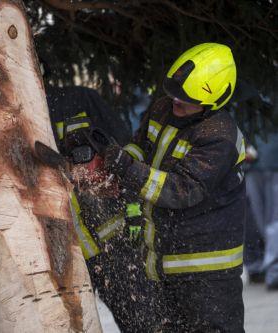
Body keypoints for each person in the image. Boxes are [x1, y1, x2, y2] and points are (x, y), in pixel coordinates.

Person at [97, 43, 246, 331]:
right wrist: (117, 162)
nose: (176, 102)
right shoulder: (165, 107)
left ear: (215, 99)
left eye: (186, 99)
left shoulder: (220, 136)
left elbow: (182, 190)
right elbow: (143, 148)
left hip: (207, 272)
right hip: (164, 263)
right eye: (174, 92)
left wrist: (128, 170)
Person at [45, 86, 162, 332]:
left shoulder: (78, 99)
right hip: (63, 250)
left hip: (113, 244)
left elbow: (127, 154)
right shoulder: (12, 112)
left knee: (143, 321)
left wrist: (133, 211)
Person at [244, 134, 278, 290]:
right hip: (267, 159)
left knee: (256, 219)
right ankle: (271, 270)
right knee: (271, 220)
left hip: (252, 160)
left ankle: (260, 267)